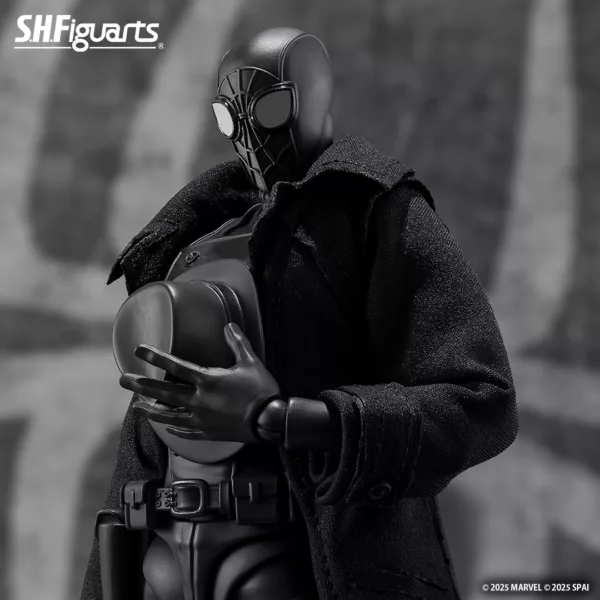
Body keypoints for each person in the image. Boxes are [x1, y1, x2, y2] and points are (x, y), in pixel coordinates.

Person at [80, 27, 518, 600]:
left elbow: (483, 401)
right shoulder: (191, 241)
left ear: (313, 96)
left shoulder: (371, 214)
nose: (249, 134)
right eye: (229, 117)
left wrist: (284, 417)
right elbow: (151, 422)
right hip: (169, 557)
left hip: (307, 560)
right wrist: (111, 570)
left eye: (268, 107)